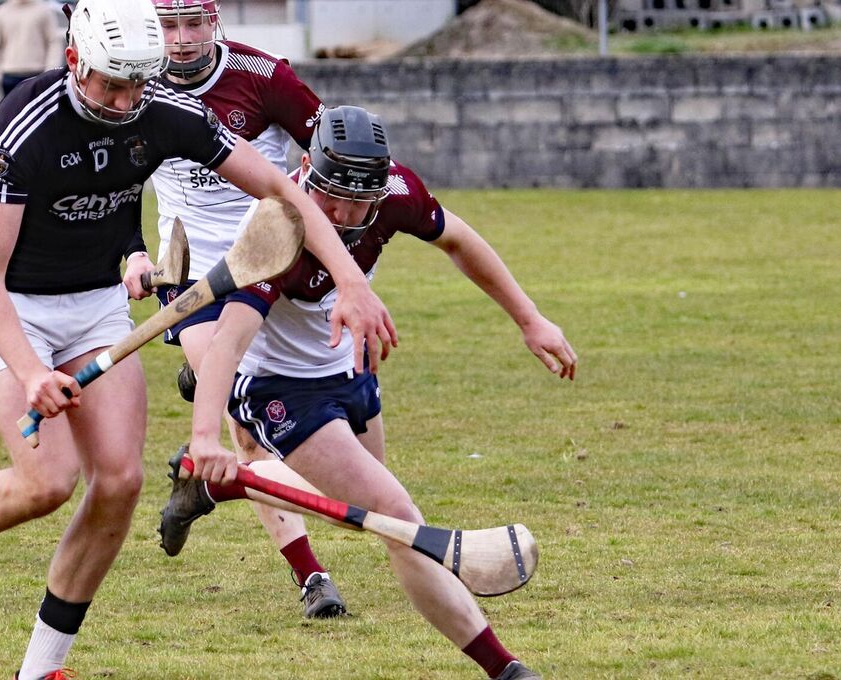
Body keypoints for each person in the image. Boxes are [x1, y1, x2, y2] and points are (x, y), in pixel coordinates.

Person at [0, 0, 396, 675]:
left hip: (96, 306)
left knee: (121, 481)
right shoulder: (27, 123)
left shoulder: (164, 110)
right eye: (110, 84)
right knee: (48, 480)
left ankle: (42, 668)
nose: (126, 100)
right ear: (76, 61)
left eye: (138, 82)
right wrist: (32, 373)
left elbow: (280, 187)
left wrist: (351, 282)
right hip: (13, 306)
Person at [162, 105, 577, 680]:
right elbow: (229, 343)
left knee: (357, 517)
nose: (345, 214)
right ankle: (504, 668)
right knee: (398, 520)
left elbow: (458, 239)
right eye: (332, 197)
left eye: (360, 201)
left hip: (350, 367)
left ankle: (211, 488)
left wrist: (529, 319)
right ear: (306, 168)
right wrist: (206, 432)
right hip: (281, 387)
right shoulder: (275, 227)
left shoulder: (394, 192)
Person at [145, 0, 347, 619]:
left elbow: (330, 155)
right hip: (193, 283)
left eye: (192, 24)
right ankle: (312, 578)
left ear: (215, 21)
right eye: (167, 26)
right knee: (248, 426)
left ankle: (198, 483)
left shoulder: (266, 78)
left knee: (254, 411)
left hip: (272, 271)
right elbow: (115, 184)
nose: (180, 41)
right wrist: (131, 252)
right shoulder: (135, 84)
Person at [0, 0, 63, 97]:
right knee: (11, 111)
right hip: (10, 75)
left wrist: (50, 69)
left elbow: (53, 41)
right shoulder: (1, 13)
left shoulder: (44, 11)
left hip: (37, 73)